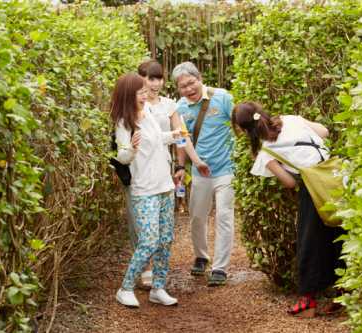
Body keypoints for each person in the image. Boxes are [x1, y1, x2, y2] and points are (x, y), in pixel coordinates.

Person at [231, 101, 344, 317]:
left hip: (314, 190)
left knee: (310, 243)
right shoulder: (290, 119)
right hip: (336, 179)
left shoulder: (265, 149)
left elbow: (290, 183)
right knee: (339, 236)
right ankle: (345, 293)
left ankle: (307, 302)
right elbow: (325, 131)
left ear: (245, 130)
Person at [128, 60, 210, 288]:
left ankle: (157, 273)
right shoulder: (135, 104)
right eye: (150, 78)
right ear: (140, 79)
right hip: (139, 165)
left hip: (161, 165)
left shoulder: (169, 105)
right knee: (142, 219)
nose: (155, 83)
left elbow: (181, 136)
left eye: (159, 78)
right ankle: (144, 268)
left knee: (162, 222)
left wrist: (187, 164)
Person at [110, 73, 180, 308]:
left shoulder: (148, 112)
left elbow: (158, 138)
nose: (145, 94)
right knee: (149, 241)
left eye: (145, 91)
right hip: (144, 188)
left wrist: (175, 135)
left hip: (164, 185)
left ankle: (158, 288)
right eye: (140, 92)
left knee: (166, 239)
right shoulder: (123, 122)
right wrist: (131, 148)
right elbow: (121, 156)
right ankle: (125, 288)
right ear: (128, 95)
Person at [171, 62, 235, 286]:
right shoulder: (179, 108)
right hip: (199, 170)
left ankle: (220, 268)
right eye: (183, 86)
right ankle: (201, 255)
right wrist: (181, 166)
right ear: (178, 89)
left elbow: (237, 125)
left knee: (224, 216)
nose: (189, 89)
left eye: (191, 82)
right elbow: (181, 140)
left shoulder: (223, 97)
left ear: (200, 78)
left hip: (226, 168)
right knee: (197, 215)